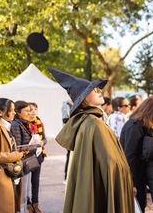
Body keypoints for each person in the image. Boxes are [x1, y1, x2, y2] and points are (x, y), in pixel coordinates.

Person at [48, 67, 134, 213]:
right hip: (107, 187)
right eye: (93, 89)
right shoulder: (93, 124)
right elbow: (109, 164)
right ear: (83, 99)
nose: (100, 91)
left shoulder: (87, 122)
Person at [120, 96, 153, 213]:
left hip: (139, 176)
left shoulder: (141, 125)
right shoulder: (135, 126)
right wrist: (132, 183)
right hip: (133, 177)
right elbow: (130, 155)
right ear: (152, 111)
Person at [0, 98, 25, 213]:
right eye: (12, 110)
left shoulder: (6, 125)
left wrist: (19, 152)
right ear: (0, 112)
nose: (15, 113)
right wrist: (15, 156)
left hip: (9, 174)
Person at [11, 100, 35, 213]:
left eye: (29, 110)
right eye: (26, 110)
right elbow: (17, 146)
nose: (29, 113)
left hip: (26, 161)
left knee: (25, 194)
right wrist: (30, 147)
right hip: (21, 163)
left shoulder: (24, 123)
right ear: (18, 112)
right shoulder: (16, 124)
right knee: (21, 195)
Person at [28, 102, 47, 213]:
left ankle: (35, 204)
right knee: (26, 182)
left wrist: (42, 142)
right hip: (27, 156)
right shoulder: (24, 124)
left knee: (35, 180)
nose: (33, 111)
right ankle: (28, 204)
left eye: (35, 109)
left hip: (38, 155)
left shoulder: (39, 123)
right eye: (31, 109)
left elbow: (45, 139)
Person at [61, 98, 73, 184]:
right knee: (69, 156)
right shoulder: (66, 105)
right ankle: (67, 177)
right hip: (69, 134)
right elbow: (65, 119)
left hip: (72, 133)